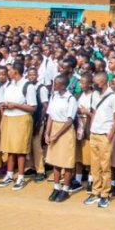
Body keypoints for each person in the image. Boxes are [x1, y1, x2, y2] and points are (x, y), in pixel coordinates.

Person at [83, 71, 115, 207]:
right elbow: (94, 112)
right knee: (94, 165)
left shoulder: (113, 97)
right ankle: (95, 191)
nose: (94, 84)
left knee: (105, 166)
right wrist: (91, 128)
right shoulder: (95, 94)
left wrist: (111, 134)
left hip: (105, 135)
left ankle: (105, 194)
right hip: (94, 133)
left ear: (104, 81)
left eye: (96, 82)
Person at [0, 62, 36, 192]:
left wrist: (15, 105)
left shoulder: (28, 86)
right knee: (10, 149)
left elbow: (33, 107)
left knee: (20, 150)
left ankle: (20, 177)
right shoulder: (9, 85)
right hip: (9, 118)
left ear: (15, 72)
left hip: (21, 119)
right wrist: (5, 106)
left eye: (10, 70)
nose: (8, 72)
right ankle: (9, 175)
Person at [44, 74, 78, 203]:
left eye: (56, 84)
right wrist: (47, 133)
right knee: (55, 161)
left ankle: (65, 189)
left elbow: (69, 120)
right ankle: (56, 187)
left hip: (65, 130)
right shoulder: (54, 96)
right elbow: (50, 116)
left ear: (63, 85)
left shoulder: (70, 99)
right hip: (54, 127)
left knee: (66, 161)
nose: (54, 85)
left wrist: (56, 135)